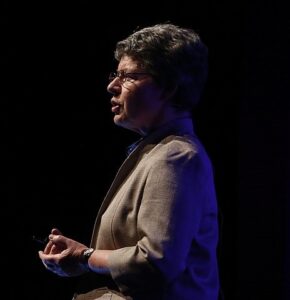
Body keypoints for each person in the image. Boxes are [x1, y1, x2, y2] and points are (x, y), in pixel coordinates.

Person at [38, 23, 220, 300]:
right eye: (116, 74)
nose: (112, 85)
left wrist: (86, 256)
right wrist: (79, 258)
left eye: (127, 76)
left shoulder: (177, 156)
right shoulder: (157, 151)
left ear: (168, 86)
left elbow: (155, 261)